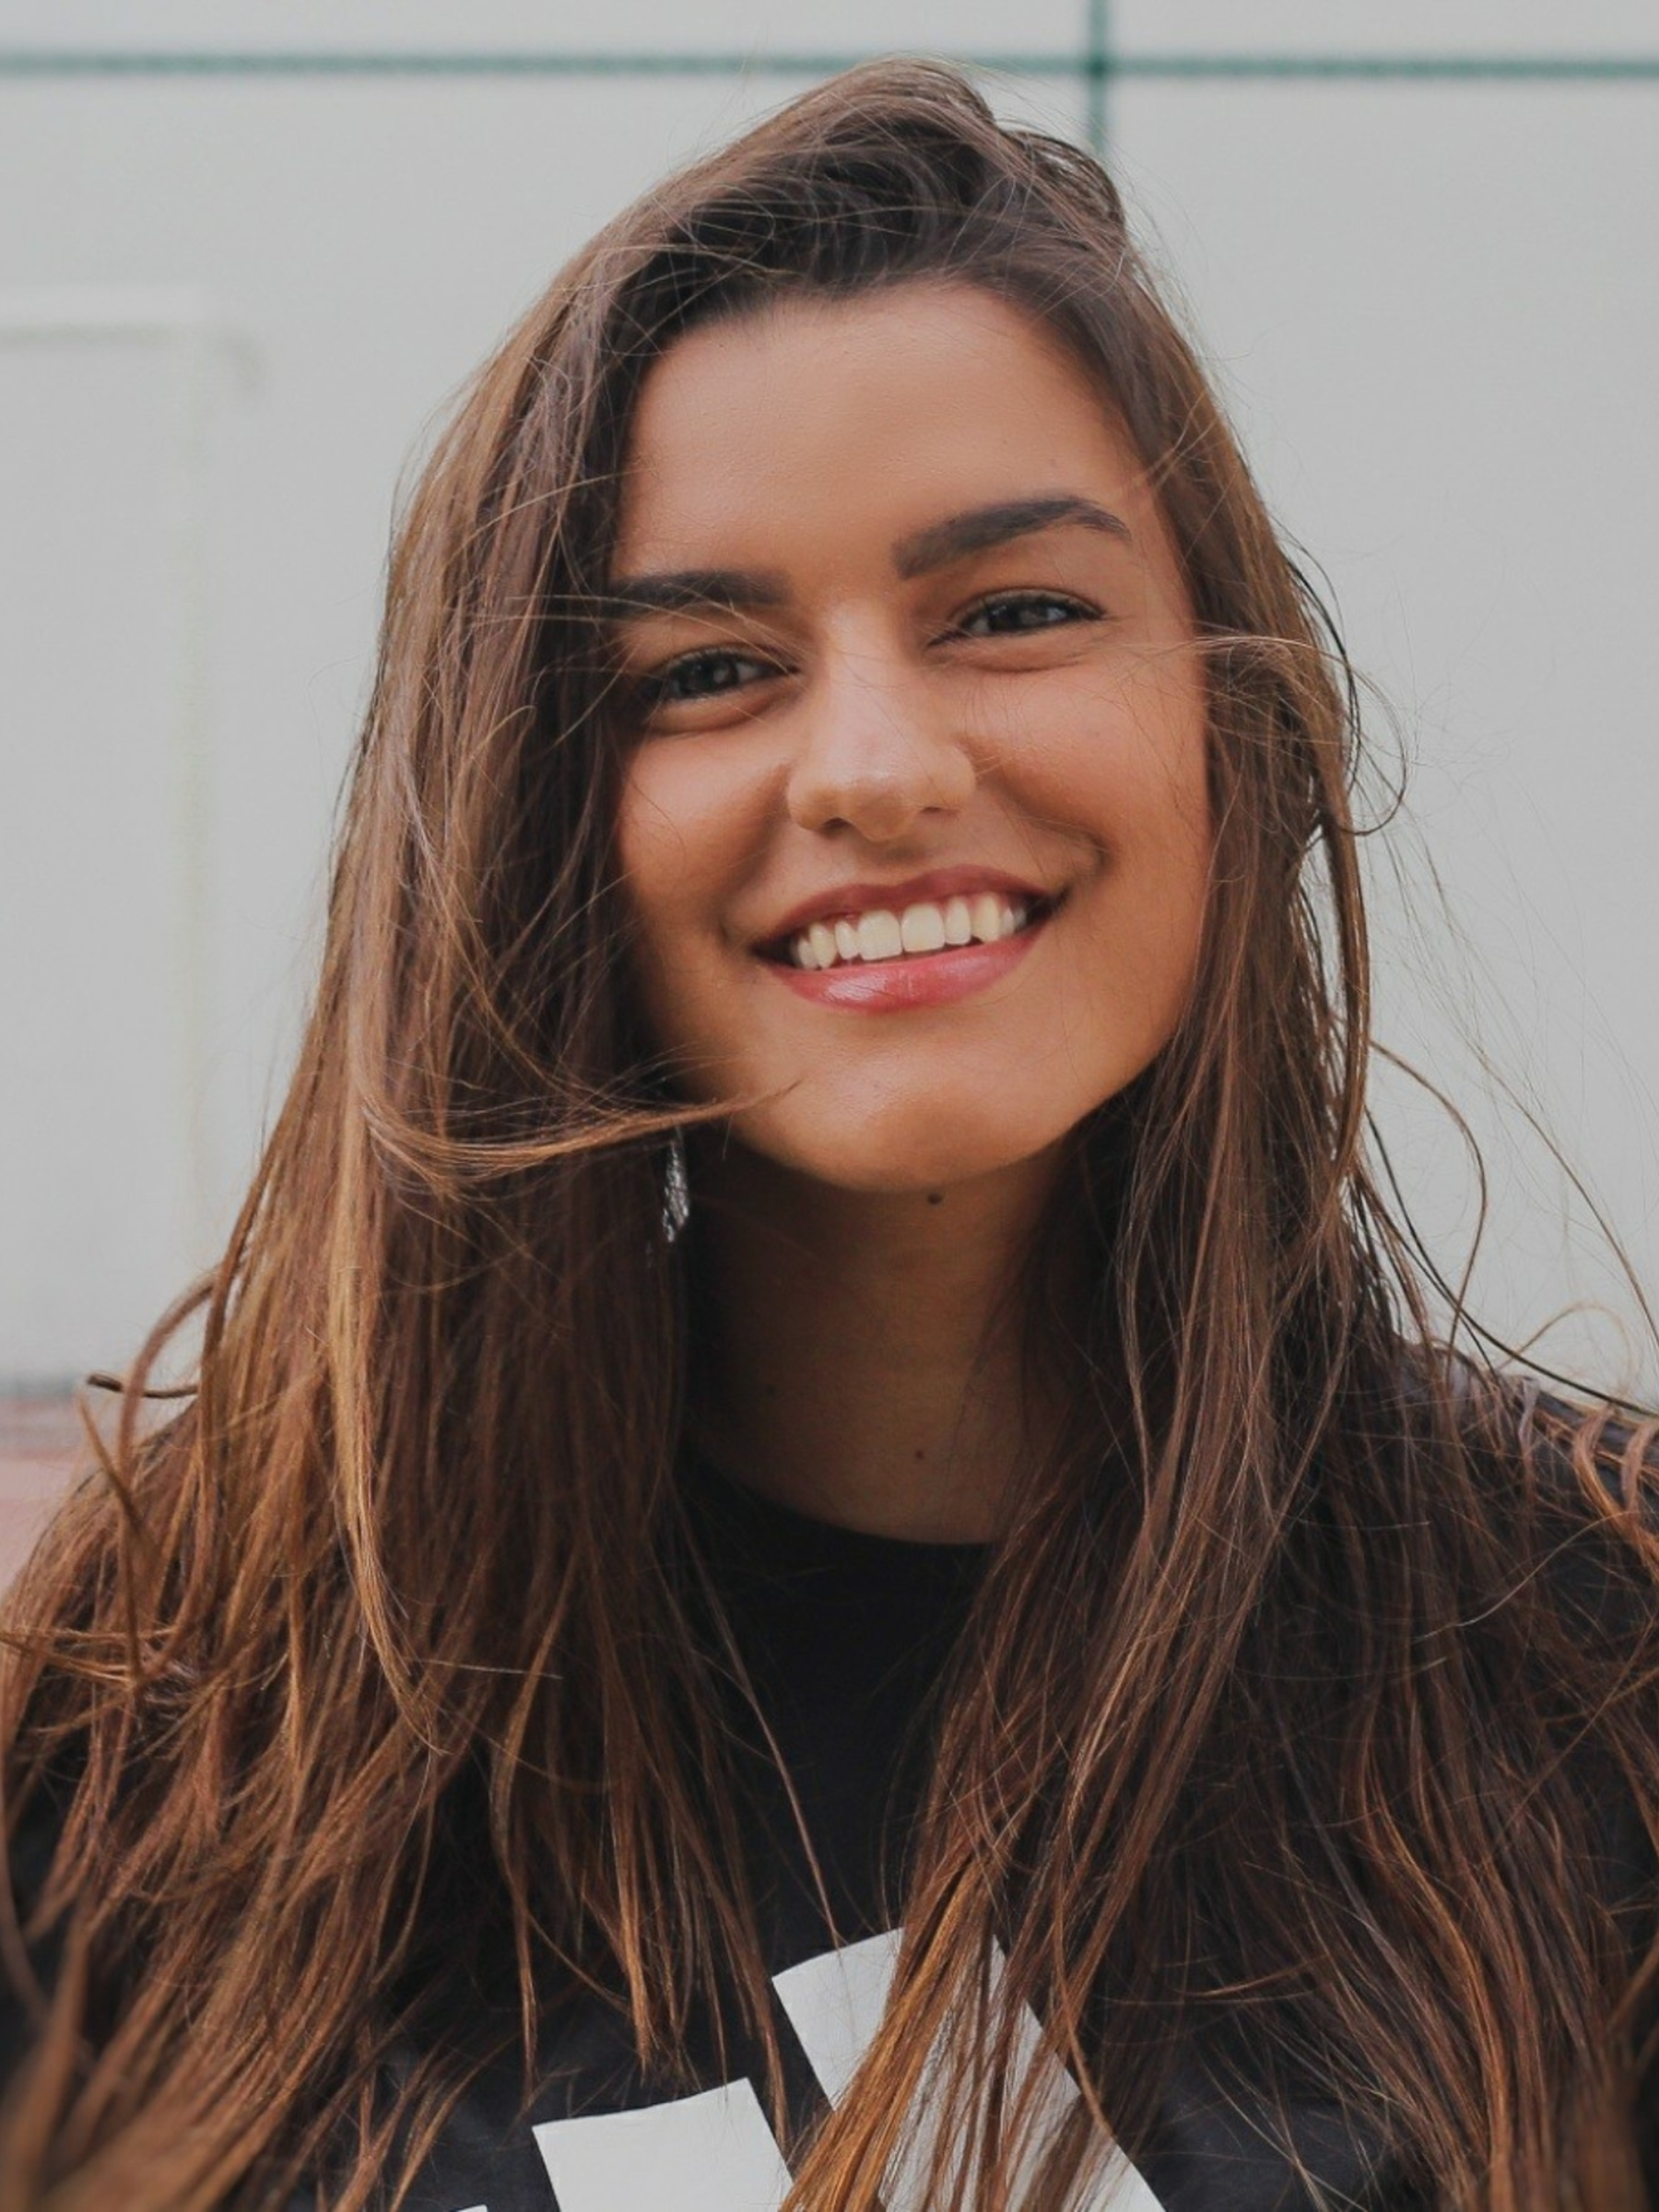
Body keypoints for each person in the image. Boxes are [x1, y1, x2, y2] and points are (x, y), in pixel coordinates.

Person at [3, 53, 1657, 2212]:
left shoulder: (1592, 1659)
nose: (875, 765)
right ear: (532, 822)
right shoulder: (174, 1721)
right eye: (703, 668)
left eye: (1016, 612)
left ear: (1234, 722)